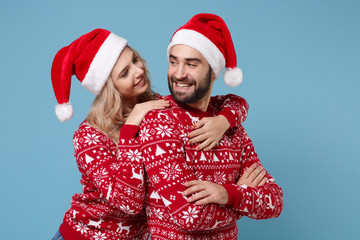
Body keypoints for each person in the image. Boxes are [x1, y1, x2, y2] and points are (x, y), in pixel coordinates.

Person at [50, 28, 250, 240]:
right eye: (124, 73)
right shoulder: (89, 137)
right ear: (109, 87)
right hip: (86, 236)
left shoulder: (159, 105)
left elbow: (233, 102)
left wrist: (223, 121)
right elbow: (130, 203)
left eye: (135, 59)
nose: (138, 71)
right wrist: (130, 130)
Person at [138, 13, 284, 239]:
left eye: (191, 64)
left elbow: (274, 201)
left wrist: (225, 194)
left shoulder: (231, 128)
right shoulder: (160, 122)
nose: (178, 73)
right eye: (173, 61)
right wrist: (239, 196)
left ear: (213, 72)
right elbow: (190, 215)